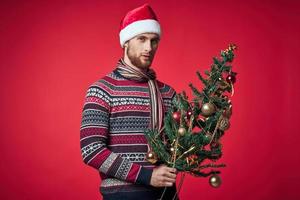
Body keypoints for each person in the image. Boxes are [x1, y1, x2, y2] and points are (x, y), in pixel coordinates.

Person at [80, 4, 178, 200]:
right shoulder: (102, 90)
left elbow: (179, 145)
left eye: (154, 41)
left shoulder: (168, 93)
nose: (148, 48)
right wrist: (146, 175)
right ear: (126, 42)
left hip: (166, 195)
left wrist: (212, 121)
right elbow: (91, 149)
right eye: (141, 39)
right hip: (122, 195)